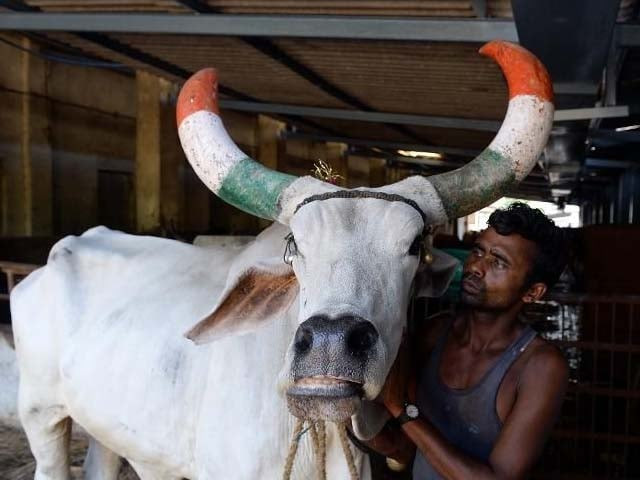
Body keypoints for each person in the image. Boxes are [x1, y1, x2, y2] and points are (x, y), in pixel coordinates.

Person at [370, 202, 570, 479]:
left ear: (533, 292)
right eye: (478, 250)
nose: (476, 266)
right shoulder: (434, 333)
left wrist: (403, 412)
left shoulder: (540, 367)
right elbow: (403, 444)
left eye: (498, 261)